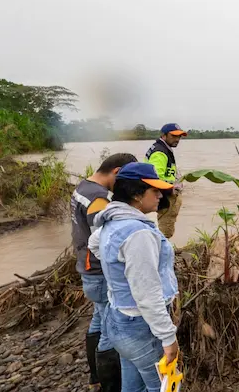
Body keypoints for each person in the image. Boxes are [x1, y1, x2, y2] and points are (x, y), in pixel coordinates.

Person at [88, 162, 180, 392]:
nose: (160, 195)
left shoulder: (112, 219)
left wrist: (119, 276)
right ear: (136, 194)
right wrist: (168, 338)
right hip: (141, 326)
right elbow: (147, 295)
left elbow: (94, 244)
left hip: (118, 318)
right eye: (154, 191)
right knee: (163, 386)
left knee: (132, 385)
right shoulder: (138, 233)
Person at [71, 152, 137, 391]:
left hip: (87, 269)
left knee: (99, 320)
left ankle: (96, 377)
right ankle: (111, 385)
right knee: (111, 330)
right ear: (117, 172)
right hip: (99, 272)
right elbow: (105, 239)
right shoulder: (98, 198)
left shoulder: (83, 186)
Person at [145, 123, 187, 239]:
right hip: (165, 196)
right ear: (164, 135)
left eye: (179, 136)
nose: (177, 139)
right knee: (165, 231)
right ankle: (162, 252)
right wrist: (170, 190)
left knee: (165, 228)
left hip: (165, 194)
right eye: (174, 136)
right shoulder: (160, 152)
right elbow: (155, 177)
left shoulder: (163, 148)